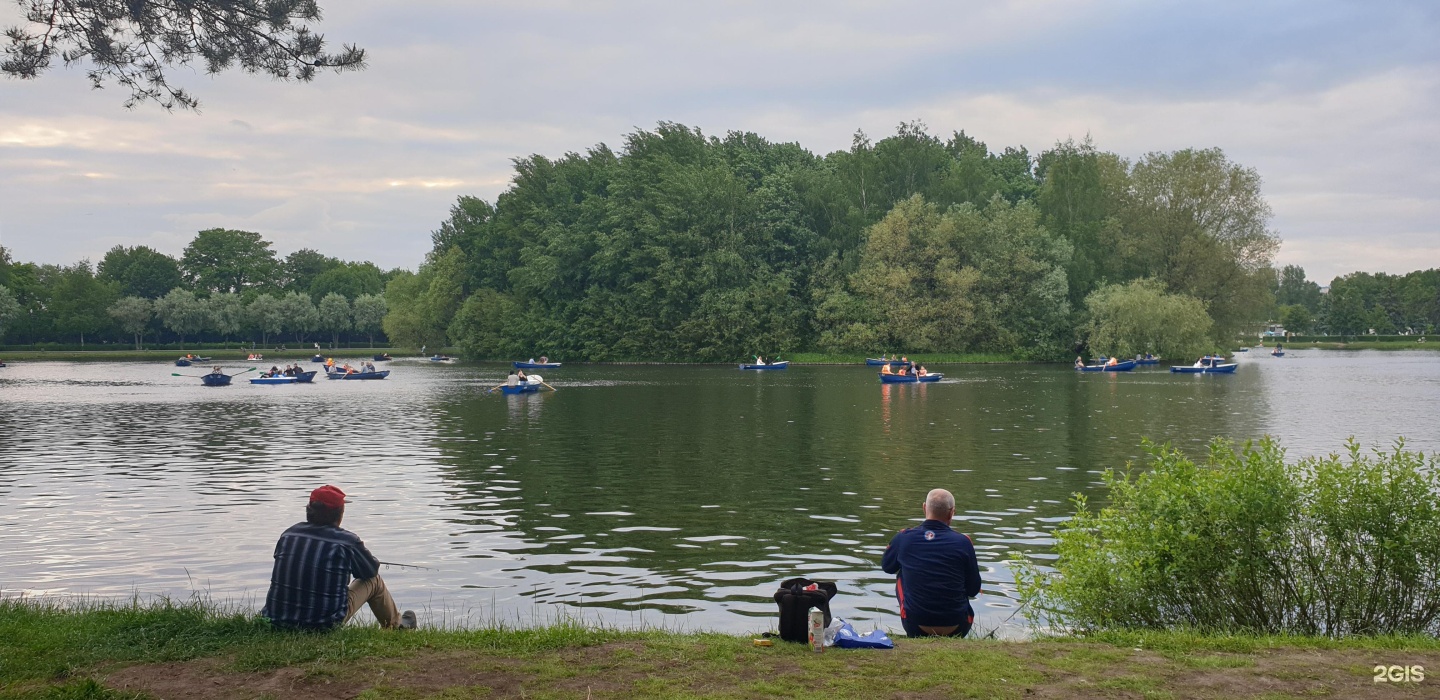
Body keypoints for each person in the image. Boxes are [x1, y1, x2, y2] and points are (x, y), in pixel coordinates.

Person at [262, 485, 416, 631]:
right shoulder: (347, 541)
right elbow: (370, 571)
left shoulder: (289, 534)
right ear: (339, 514)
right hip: (323, 624)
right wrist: (369, 560)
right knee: (374, 581)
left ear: (309, 510)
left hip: (275, 620)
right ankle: (397, 626)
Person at [881, 488, 982, 638]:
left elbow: (887, 567)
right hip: (958, 626)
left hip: (916, 626)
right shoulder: (964, 542)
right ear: (952, 512)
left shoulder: (903, 537)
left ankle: (916, 617)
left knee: (901, 572)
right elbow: (973, 590)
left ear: (924, 508)